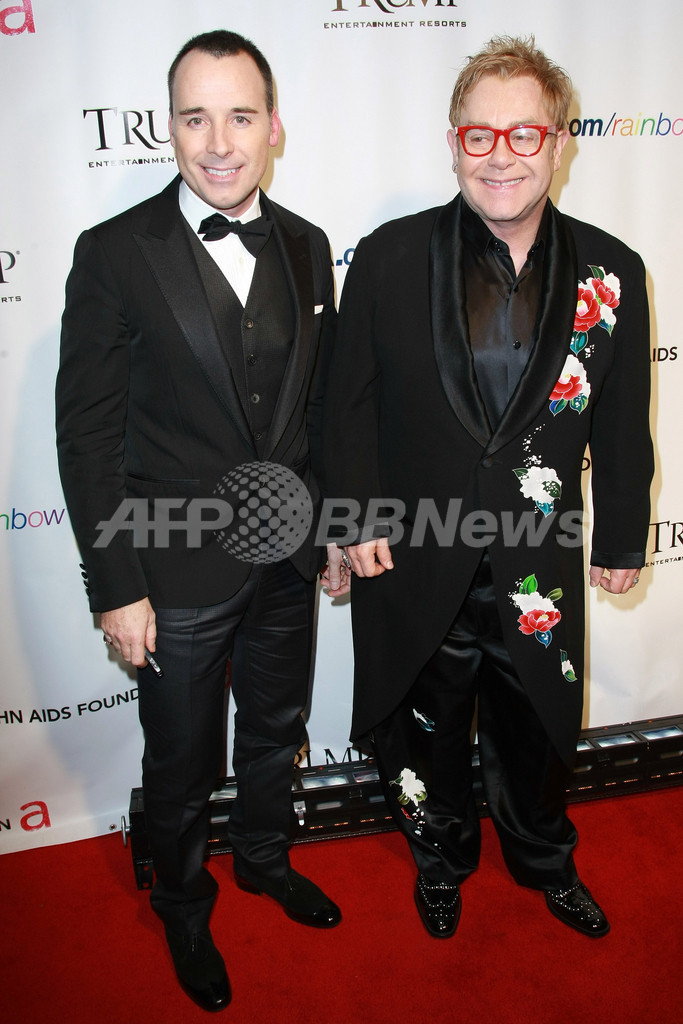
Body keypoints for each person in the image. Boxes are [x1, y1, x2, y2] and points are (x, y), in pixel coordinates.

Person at [323, 36, 652, 940]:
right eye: (479, 134)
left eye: (523, 133)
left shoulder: (612, 272)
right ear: (452, 142)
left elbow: (621, 422)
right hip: (411, 556)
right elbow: (345, 405)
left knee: (538, 725)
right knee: (422, 729)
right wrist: (349, 519)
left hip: (538, 558)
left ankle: (543, 856)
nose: (500, 155)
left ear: (558, 142)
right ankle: (440, 861)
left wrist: (622, 535)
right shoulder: (388, 257)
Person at [56, 29, 348, 1013]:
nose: (218, 143)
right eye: (195, 118)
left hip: (287, 555)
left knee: (274, 728)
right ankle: (183, 902)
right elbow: (88, 437)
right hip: (172, 570)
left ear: (273, 128)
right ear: (169, 127)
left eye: (239, 116)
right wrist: (116, 585)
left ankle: (264, 857)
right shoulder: (114, 253)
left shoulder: (306, 244)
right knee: (179, 759)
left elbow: (315, 411)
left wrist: (329, 528)